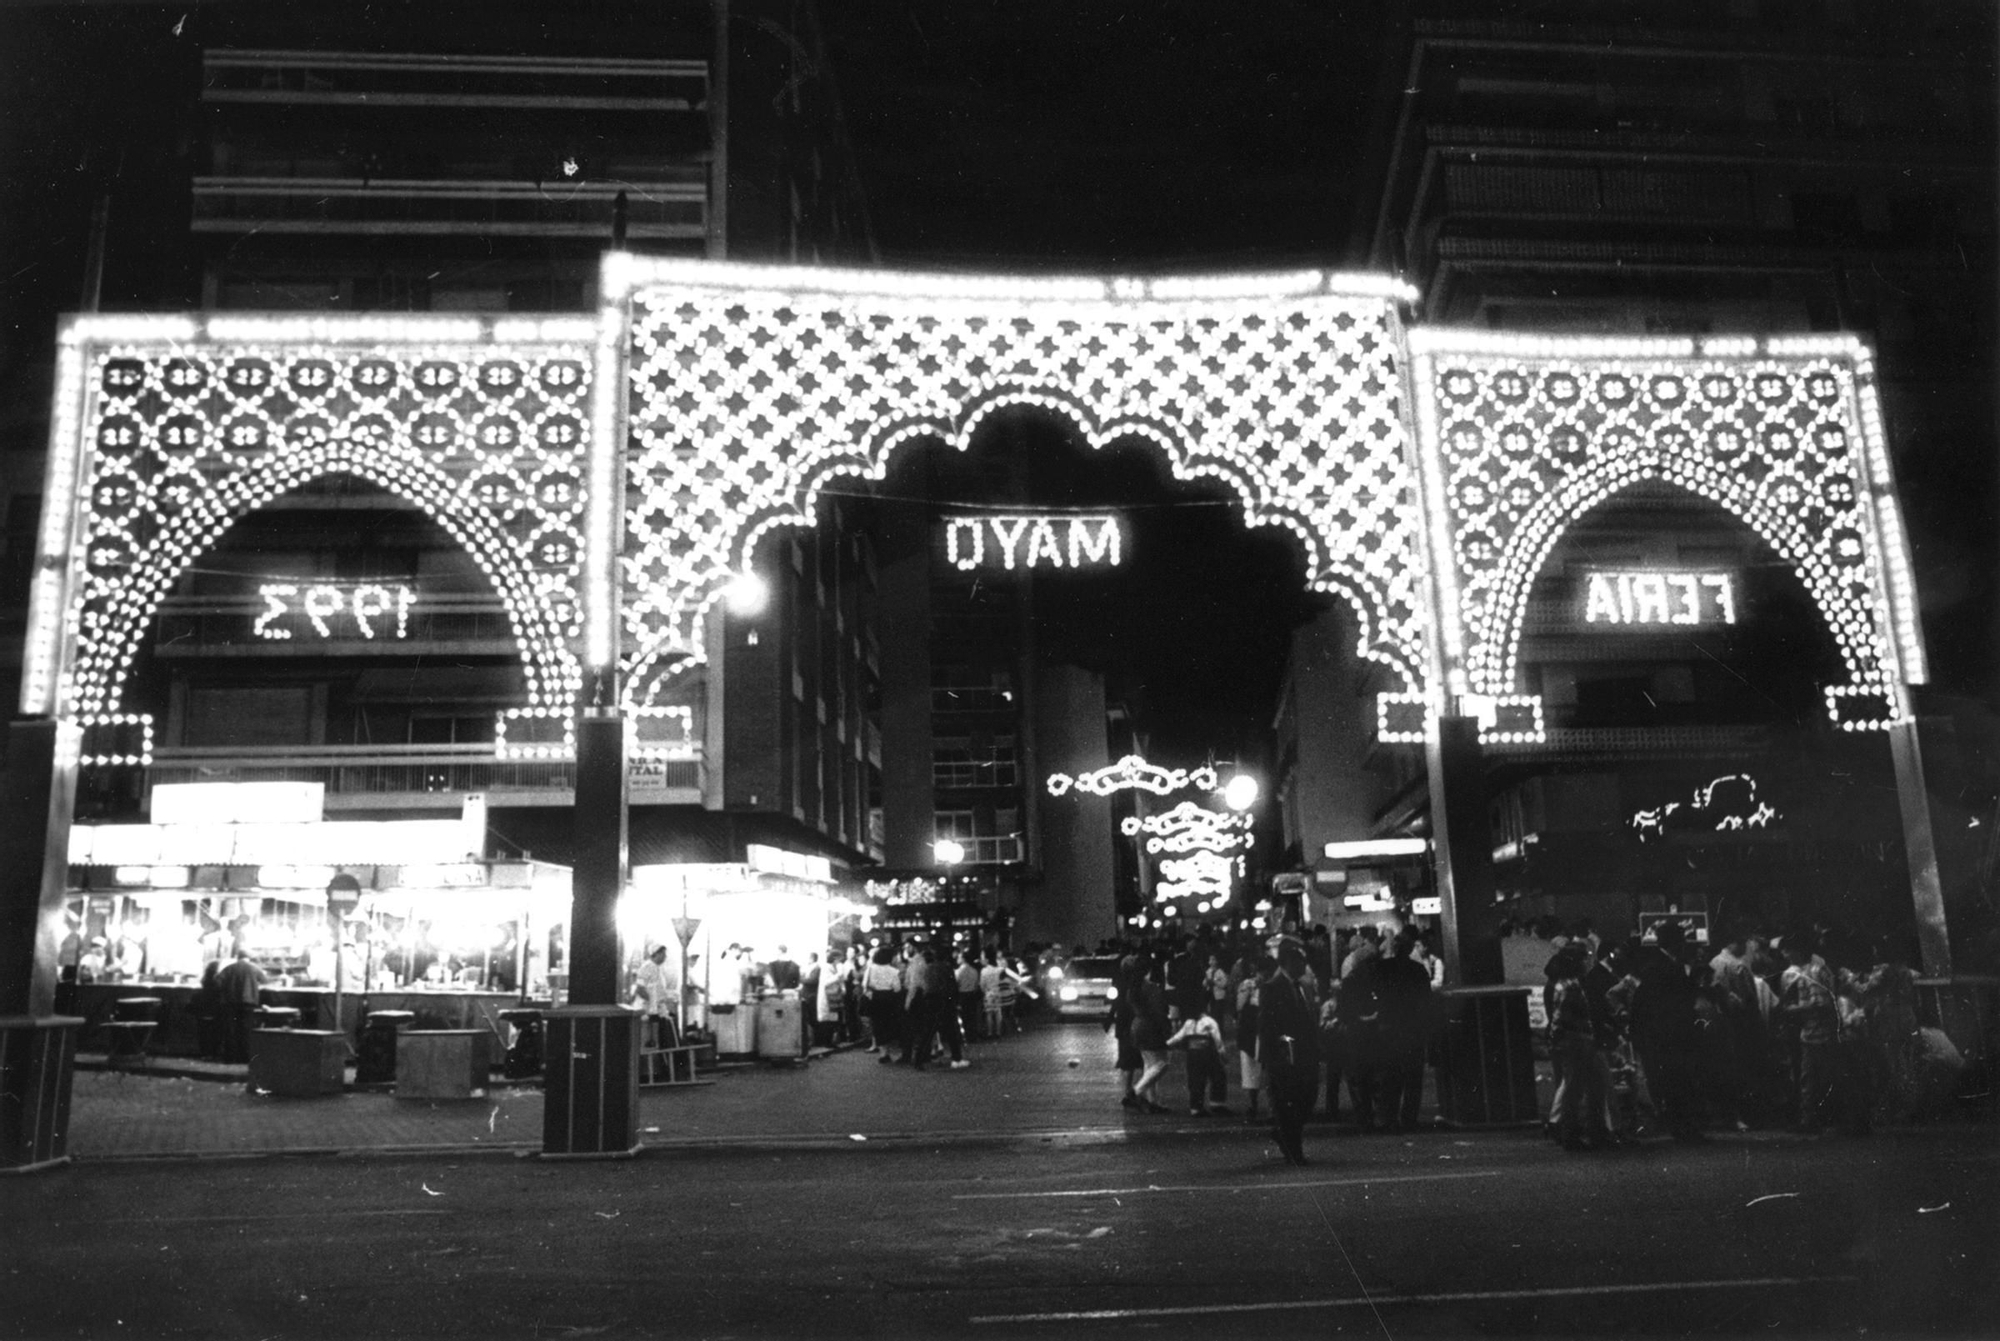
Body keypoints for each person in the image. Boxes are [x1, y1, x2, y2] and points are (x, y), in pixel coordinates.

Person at [1258, 935, 1322, 1165]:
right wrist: (1277, 1051)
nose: (1304, 967)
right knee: (1288, 1103)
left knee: (1307, 1099)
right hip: (1285, 1054)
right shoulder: (1271, 988)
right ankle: (1293, 1149)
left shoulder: (1303, 986)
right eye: (1300, 963)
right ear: (1288, 963)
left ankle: (1285, 1136)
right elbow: (1267, 1024)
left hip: (1305, 1054)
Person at [1544, 941, 1608, 1150]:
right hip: (1577, 1042)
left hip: (1572, 1042)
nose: (1588, 961)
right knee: (1579, 1089)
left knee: (1576, 1088)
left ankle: (1577, 1133)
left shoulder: (1563, 983)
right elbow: (1560, 1017)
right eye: (1585, 957)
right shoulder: (1571, 986)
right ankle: (1575, 1134)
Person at [1370, 926, 1433, 1132]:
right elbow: (1426, 1001)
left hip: (1389, 1029)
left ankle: (1389, 1118)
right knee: (1413, 1079)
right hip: (1412, 1029)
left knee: (1391, 1076)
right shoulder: (1418, 970)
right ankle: (1409, 1118)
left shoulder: (1384, 968)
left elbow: (1374, 989)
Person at [1166, 995, 1229, 1115]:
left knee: (1195, 1080)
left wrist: (1166, 1044)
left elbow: (1178, 1037)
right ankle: (1217, 1104)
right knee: (1218, 1077)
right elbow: (1218, 1041)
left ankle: (1196, 1108)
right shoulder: (1210, 1022)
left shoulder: (1189, 1023)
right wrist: (1223, 1054)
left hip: (1193, 1055)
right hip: (1208, 1054)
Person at [1129, 958, 1173, 1113]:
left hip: (1138, 1026)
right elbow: (1158, 1010)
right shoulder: (1151, 988)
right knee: (1162, 1063)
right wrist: (1166, 1029)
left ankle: (1152, 1101)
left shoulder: (1133, 987)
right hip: (1151, 1027)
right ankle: (1136, 1092)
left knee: (1149, 1065)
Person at [214, 947, 267, 1065]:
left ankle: (230, 1057)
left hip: (230, 1003)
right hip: (248, 1003)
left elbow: (217, 981)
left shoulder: (229, 968)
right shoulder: (254, 968)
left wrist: (227, 989)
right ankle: (244, 1057)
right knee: (246, 1030)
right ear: (248, 958)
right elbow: (265, 980)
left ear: (237, 957)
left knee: (231, 1029)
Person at [1108, 955, 1144, 1109]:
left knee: (1128, 1063)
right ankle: (1136, 1093)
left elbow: (1116, 1004)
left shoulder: (1120, 982)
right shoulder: (1136, 984)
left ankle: (1129, 1092)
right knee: (1139, 1061)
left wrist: (1109, 1020)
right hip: (1133, 1024)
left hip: (1123, 1025)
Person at [1235, 957, 1266, 1122]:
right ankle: (1253, 1106)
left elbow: (1239, 1007)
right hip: (1252, 1030)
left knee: (1256, 1069)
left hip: (1256, 1030)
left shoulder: (1267, 986)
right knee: (1251, 1068)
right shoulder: (1249, 985)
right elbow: (1239, 1006)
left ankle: (1258, 1107)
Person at [632, 944, 674, 1048]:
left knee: (659, 1040)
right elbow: (640, 989)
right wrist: (651, 1003)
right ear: (656, 954)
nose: (665, 957)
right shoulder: (646, 967)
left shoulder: (658, 968)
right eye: (663, 954)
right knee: (648, 1041)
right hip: (647, 1010)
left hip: (657, 1010)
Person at [866, 945, 903, 1059]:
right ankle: (890, 1051)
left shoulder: (871, 968)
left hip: (876, 997)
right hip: (889, 998)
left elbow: (866, 984)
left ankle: (883, 1052)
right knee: (889, 1024)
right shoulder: (894, 971)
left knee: (877, 1025)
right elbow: (897, 988)